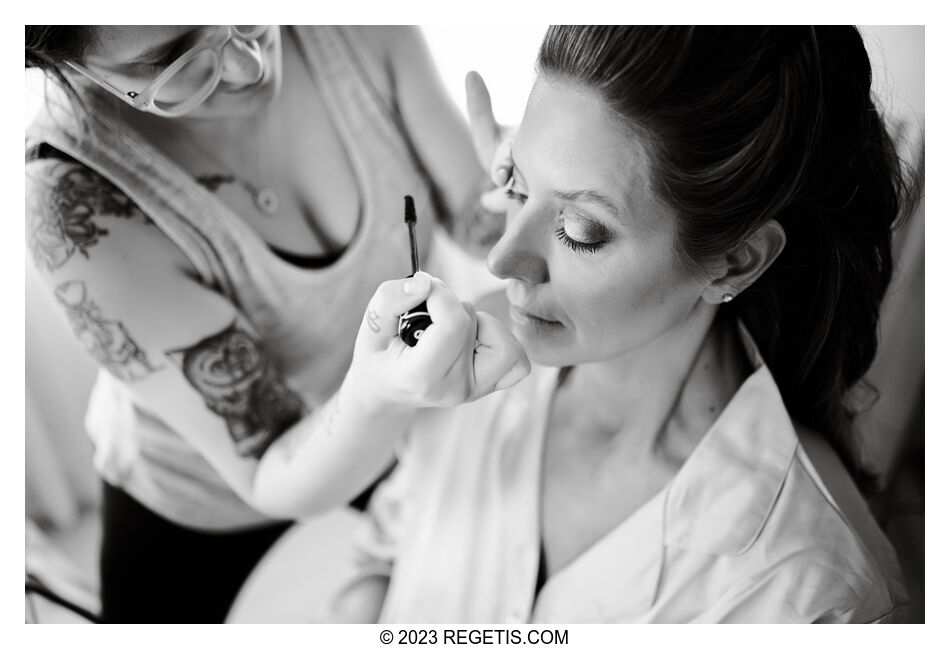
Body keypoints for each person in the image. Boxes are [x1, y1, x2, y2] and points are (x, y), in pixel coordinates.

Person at [323, 25, 916, 623]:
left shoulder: (807, 591)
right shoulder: (466, 362)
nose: (501, 260)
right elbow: (382, 562)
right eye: (516, 185)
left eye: (581, 230)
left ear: (733, 261)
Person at [24, 25, 524, 622]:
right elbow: (268, 466)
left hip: (383, 419)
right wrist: (377, 399)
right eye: (170, 61)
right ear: (74, 71)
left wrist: (522, 197)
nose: (248, 66)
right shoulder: (72, 204)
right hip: (200, 504)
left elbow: (475, 218)